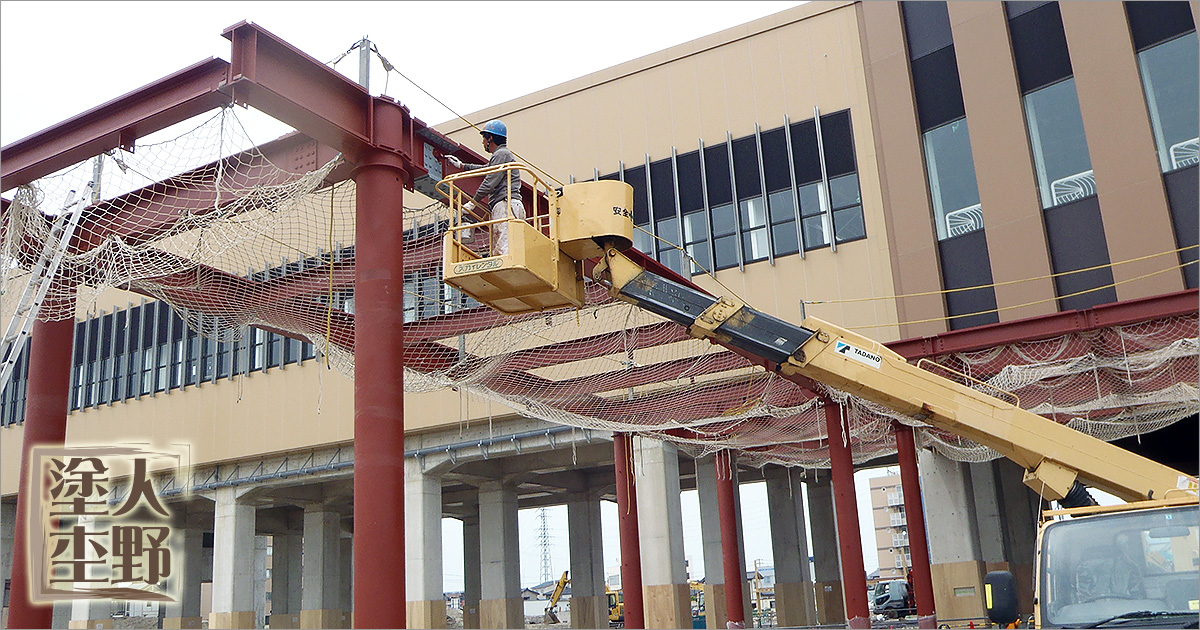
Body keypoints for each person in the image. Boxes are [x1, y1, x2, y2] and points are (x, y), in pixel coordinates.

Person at [446, 120, 525, 255]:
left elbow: (490, 181)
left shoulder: (501, 154)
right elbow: (486, 169)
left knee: (503, 250)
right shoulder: (501, 155)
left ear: (490, 138)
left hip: (506, 205)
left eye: (484, 138)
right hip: (510, 205)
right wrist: (462, 166)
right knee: (506, 248)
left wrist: (472, 202)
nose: (483, 142)